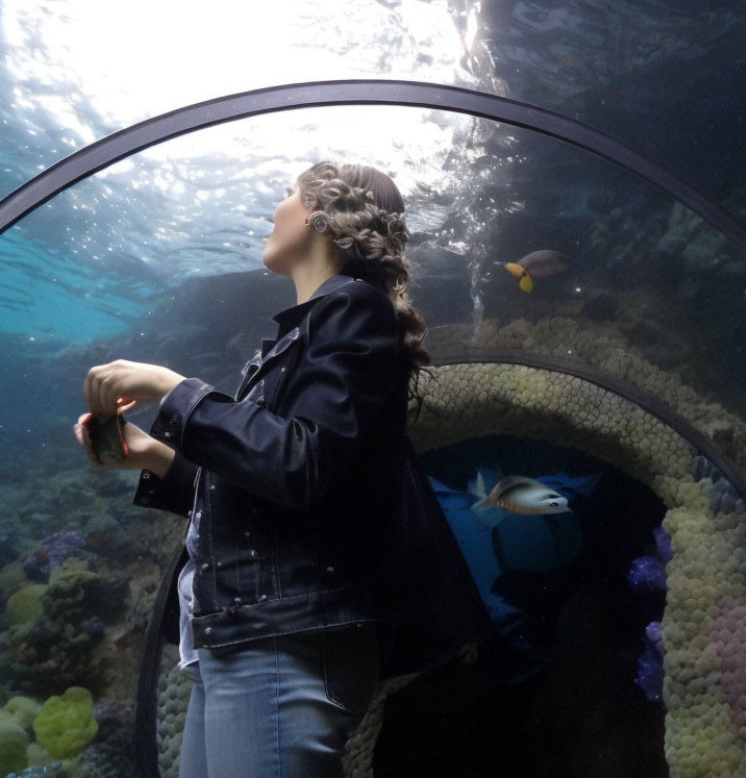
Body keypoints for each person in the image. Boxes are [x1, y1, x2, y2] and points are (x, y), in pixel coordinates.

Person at [75, 163, 485, 778]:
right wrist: (150, 452)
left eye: (289, 194)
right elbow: (272, 492)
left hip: (285, 639)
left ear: (323, 215)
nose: (275, 209)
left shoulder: (352, 310)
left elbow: (298, 462)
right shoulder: (301, 338)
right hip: (248, 635)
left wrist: (173, 388)